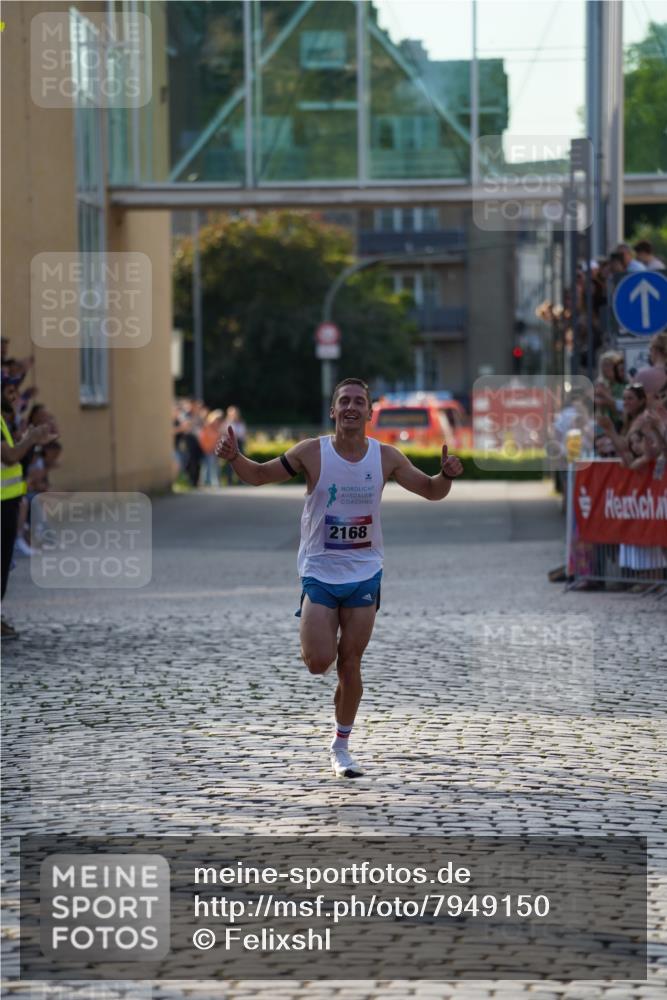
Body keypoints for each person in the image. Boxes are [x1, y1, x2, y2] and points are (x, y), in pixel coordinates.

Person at [215, 377, 464, 778]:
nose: (351, 407)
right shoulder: (312, 452)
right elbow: (260, 474)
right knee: (319, 661)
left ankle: (342, 744)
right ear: (333, 411)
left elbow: (431, 490)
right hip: (319, 570)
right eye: (344, 401)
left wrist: (447, 475)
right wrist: (234, 458)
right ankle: (337, 693)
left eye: (359, 402)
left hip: (365, 572)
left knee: (351, 662)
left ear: (369, 412)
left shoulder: (386, 458)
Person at [1, 381, 56, 638]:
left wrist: (32, 441)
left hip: (10, 500)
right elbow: (10, 457)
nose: (15, 398)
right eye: (9, 393)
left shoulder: (6, 423)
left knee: (4, 565)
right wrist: (31, 439)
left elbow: (19, 460)